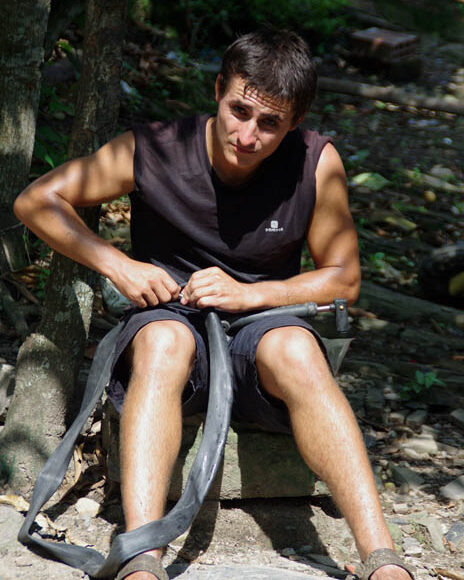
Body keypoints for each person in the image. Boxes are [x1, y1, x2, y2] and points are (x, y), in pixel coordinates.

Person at [14, 28, 414, 580]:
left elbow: (344, 280)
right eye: (239, 111)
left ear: (295, 122)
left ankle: (383, 560)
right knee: (163, 341)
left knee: (298, 350)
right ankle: (141, 557)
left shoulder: (314, 162)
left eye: (269, 123)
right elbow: (37, 200)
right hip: (171, 319)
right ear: (219, 90)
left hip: (264, 331)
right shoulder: (154, 148)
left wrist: (249, 294)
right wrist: (120, 266)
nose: (247, 135)